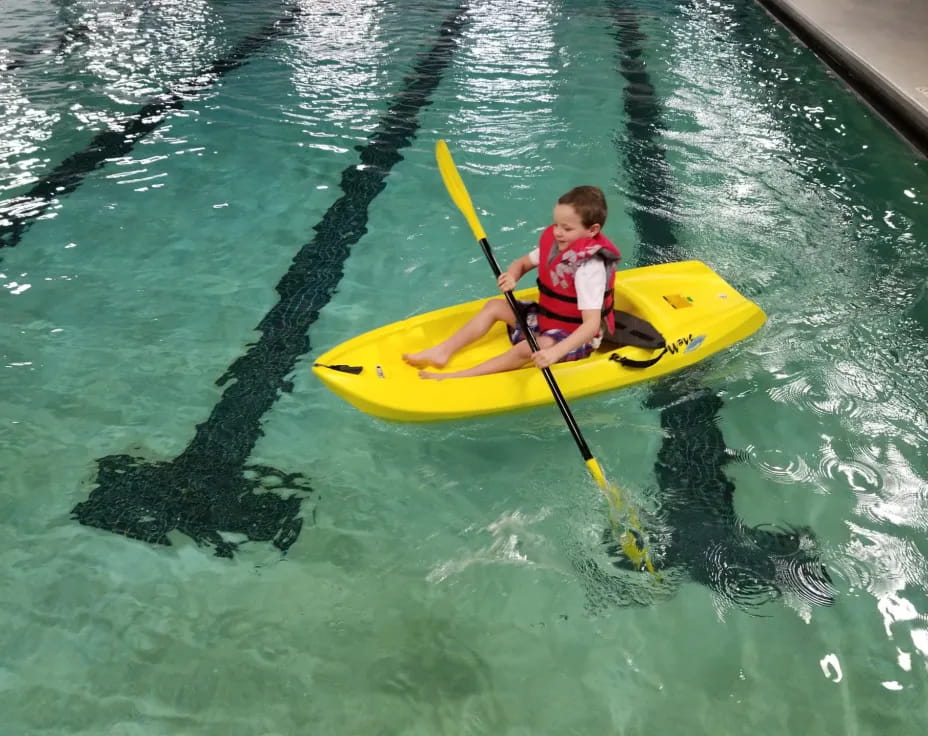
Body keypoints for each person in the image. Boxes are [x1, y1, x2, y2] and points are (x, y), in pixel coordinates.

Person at [403, 185, 621, 380]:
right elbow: (523, 263)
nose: (557, 233)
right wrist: (512, 277)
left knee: (530, 348)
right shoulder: (557, 244)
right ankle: (443, 351)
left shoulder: (589, 267)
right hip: (547, 320)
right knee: (494, 307)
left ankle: (461, 377)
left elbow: (591, 325)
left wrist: (554, 353)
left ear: (592, 230)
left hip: (574, 336)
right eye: (556, 225)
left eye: (567, 229)